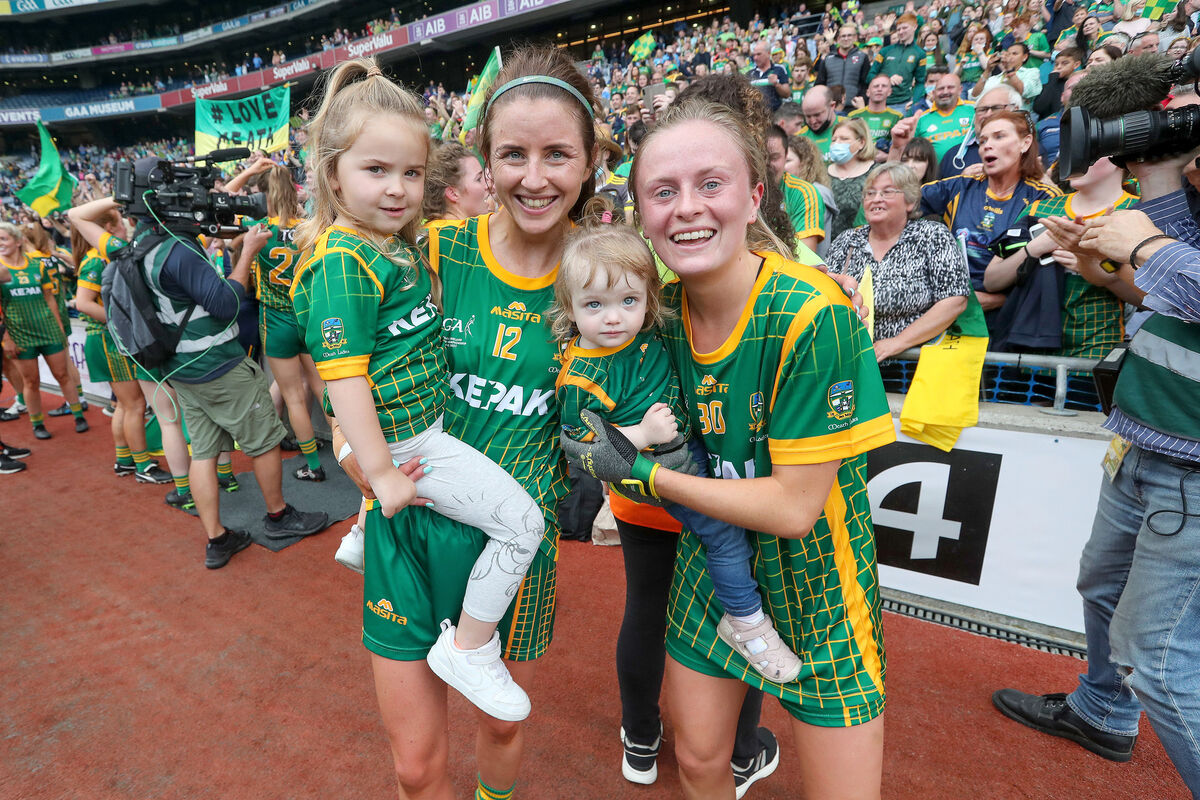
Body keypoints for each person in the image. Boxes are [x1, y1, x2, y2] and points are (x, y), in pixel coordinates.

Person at [323, 47, 733, 800]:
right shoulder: (435, 252)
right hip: (411, 527)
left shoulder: (618, 279)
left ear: (591, 161)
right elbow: (343, 350)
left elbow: (671, 376)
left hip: (520, 544)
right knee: (415, 769)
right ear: (484, 159)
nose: (534, 177)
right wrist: (352, 446)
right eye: (513, 154)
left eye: (557, 154)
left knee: (503, 729)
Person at [565, 96, 895, 800]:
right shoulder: (651, 316)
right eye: (663, 191)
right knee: (702, 762)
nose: (686, 207)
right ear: (642, 215)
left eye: (709, 184)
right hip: (708, 567)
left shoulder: (813, 313)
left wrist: (640, 472)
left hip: (819, 581)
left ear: (753, 197)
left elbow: (794, 509)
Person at [291, 58, 546, 724]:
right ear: (332, 172)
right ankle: (469, 646)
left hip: (416, 429)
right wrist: (379, 472)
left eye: (410, 172)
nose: (399, 188)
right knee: (525, 525)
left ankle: (361, 533)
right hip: (413, 442)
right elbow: (343, 375)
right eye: (376, 170)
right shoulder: (344, 257)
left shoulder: (387, 244)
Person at [993, 137, 1200, 794]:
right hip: (1146, 437)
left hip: (1191, 471)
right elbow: (1174, 307)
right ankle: (1103, 712)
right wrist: (1101, 269)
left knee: (1160, 663)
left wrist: (1144, 244)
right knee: (1101, 586)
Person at [550, 204, 802, 685]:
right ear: (570, 308)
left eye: (627, 301)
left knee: (740, 526)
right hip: (663, 464)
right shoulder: (582, 373)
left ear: (647, 297)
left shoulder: (649, 324)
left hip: (694, 446)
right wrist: (643, 435)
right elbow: (581, 445)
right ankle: (745, 624)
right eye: (593, 305)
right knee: (724, 533)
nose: (612, 318)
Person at [71, 168, 329, 568]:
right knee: (261, 442)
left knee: (204, 453)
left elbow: (77, 217)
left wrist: (133, 197)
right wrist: (245, 256)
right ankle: (279, 516)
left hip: (180, 368)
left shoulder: (131, 244)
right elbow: (226, 306)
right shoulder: (178, 249)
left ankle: (216, 538)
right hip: (217, 363)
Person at [984, 156, 1139, 358]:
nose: (1076, 158)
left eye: (1089, 151)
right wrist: (1032, 249)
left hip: (1095, 353)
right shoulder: (1040, 209)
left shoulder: (1136, 211)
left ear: (1117, 158)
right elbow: (992, 280)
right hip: (1029, 352)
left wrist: (1091, 266)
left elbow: (1145, 299)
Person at [827, 163, 970, 363]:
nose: (876, 199)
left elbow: (954, 300)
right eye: (870, 193)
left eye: (886, 192)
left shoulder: (932, 235)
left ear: (910, 202)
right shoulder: (847, 240)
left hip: (913, 368)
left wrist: (897, 343)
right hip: (850, 363)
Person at [920, 111, 1061, 314]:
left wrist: (1001, 300)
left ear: (1025, 143)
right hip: (950, 312)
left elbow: (1046, 270)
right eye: (983, 140)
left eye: (999, 136)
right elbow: (899, 204)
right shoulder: (961, 185)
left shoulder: (1044, 197)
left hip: (1012, 315)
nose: (987, 145)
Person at [71, 208, 171, 483]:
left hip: (104, 339)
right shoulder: (95, 260)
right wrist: (123, 321)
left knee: (125, 406)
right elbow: (83, 303)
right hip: (107, 339)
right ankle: (144, 467)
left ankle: (126, 459)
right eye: (119, 220)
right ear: (108, 227)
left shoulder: (100, 256)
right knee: (135, 404)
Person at [0, 222, 87, 440]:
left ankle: (78, 415)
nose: (0, 244)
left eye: (4, 239)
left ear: (18, 241)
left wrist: (58, 328)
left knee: (62, 374)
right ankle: (37, 423)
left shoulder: (37, 265)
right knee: (31, 381)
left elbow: (49, 299)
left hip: (48, 328)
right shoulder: (0, 270)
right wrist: (7, 338)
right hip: (19, 333)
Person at [766, 124, 827, 254]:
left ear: (785, 156)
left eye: (774, 157)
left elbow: (804, 255)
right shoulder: (742, 189)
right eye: (762, 157)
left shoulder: (804, 193)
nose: (768, 165)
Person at [827, 117, 877, 241]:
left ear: (861, 143)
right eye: (834, 140)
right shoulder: (822, 173)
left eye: (844, 139)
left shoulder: (875, 173)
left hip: (862, 245)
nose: (837, 143)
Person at [909, 71, 976, 161]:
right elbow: (911, 150)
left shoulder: (974, 109)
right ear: (933, 93)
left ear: (960, 90)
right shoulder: (922, 119)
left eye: (950, 87)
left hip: (971, 172)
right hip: (935, 174)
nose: (945, 92)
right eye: (940, 89)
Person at [867, 12, 927, 111]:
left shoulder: (920, 54)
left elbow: (920, 82)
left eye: (904, 28)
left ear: (914, 27)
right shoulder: (885, 51)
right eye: (898, 29)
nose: (901, 32)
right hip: (880, 103)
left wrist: (915, 102)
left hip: (903, 104)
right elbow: (870, 76)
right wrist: (887, 80)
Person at [817, 23, 872, 111]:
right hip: (831, 108)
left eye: (849, 35)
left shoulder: (862, 57)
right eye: (843, 36)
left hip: (854, 107)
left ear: (855, 38)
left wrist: (862, 101)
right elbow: (820, 84)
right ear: (838, 39)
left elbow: (866, 83)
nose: (846, 38)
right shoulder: (828, 59)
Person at [970, 42, 1042, 107]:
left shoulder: (1032, 72)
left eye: (1014, 54)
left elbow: (1024, 91)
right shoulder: (995, 78)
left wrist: (1009, 69)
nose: (1009, 57)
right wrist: (988, 70)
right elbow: (974, 95)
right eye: (1008, 54)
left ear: (1024, 57)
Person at [849, 74, 903, 148]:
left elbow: (900, 145)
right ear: (868, 92)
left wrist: (886, 156)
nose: (879, 89)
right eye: (876, 86)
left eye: (884, 86)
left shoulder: (897, 117)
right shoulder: (853, 116)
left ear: (889, 92)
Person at [1032, 47, 1083, 119]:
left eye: (1065, 63)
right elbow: (1038, 108)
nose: (1059, 67)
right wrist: (1052, 80)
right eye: (1056, 64)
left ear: (1076, 64)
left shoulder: (1079, 84)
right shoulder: (1049, 84)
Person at [748, 39, 791, 112]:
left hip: (775, 114)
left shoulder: (779, 69)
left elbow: (787, 94)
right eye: (754, 55)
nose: (755, 58)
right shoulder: (750, 74)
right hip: (756, 116)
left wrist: (777, 84)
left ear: (768, 53)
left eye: (759, 54)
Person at [798, 84, 841, 158]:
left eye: (817, 115)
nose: (813, 121)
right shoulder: (800, 138)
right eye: (808, 116)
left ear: (832, 106)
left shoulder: (850, 128)